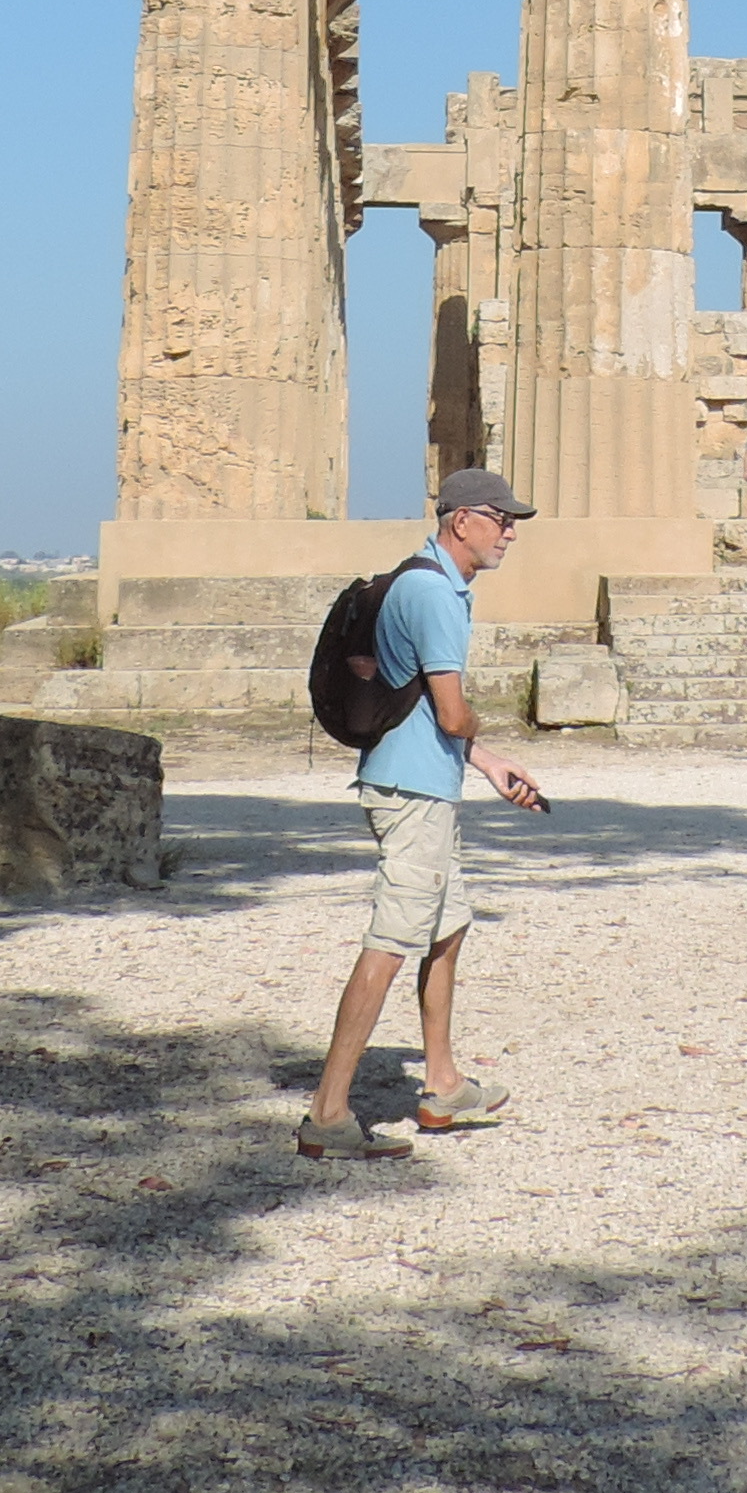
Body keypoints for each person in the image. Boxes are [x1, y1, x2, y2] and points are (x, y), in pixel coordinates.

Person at [300, 469, 553, 1158]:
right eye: (502, 519)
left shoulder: (423, 582)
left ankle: (441, 1082)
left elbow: (429, 713)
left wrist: (487, 761)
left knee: (447, 926)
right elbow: (449, 709)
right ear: (461, 520)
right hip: (412, 793)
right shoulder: (435, 594)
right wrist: (477, 725)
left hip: (420, 782)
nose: (510, 533)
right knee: (390, 943)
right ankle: (326, 1115)